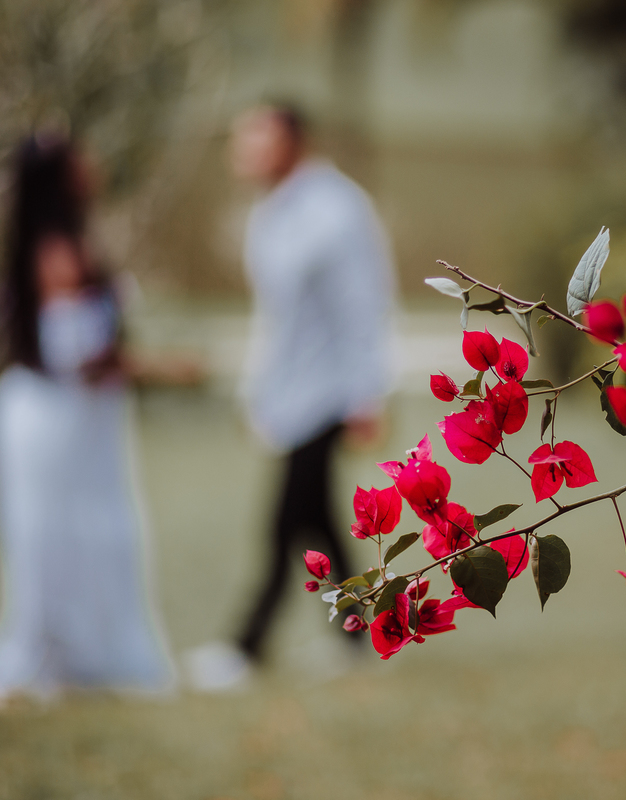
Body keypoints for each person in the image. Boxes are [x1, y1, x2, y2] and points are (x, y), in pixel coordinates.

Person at [0, 134, 188, 707]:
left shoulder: (65, 244)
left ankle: (89, 653)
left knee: (94, 530)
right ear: (62, 177)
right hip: (53, 416)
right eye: (79, 158)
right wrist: (164, 370)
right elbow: (77, 356)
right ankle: (53, 652)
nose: (93, 163)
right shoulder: (56, 254)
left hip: (77, 417)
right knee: (58, 533)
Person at [185, 104, 395, 690]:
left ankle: (245, 648)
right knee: (317, 521)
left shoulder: (335, 208)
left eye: (257, 139)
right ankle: (359, 634)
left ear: (292, 142)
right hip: (293, 391)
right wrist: (260, 392)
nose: (244, 152)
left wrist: (367, 393)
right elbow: (277, 316)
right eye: (240, 140)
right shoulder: (269, 212)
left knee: (282, 524)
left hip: (330, 392)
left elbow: (363, 304)